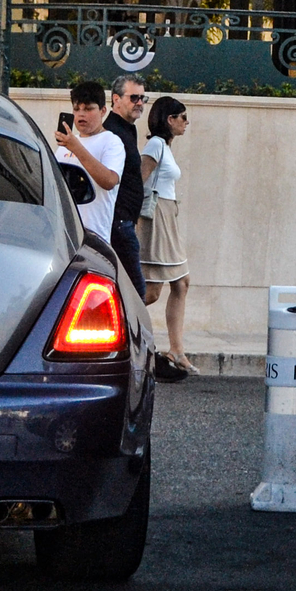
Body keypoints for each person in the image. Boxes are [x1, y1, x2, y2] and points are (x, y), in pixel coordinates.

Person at [139, 95, 192, 381]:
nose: (186, 123)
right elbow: (140, 179)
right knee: (152, 292)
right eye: (182, 117)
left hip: (168, 215)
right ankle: (113, 314)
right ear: (169, 119)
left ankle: (176, 350)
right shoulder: (156, 144)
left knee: (181, 283)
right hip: (156, 217)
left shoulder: (166, 147)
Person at [55, 79, 125, 243]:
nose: (81, 114)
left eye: (88, 109)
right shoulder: (65, 145)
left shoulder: (111, 142)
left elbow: (109, 181)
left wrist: (76, 148)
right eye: (76, 109)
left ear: (103, 111)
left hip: (94, 235)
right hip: (64, 233)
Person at [106, 75, 149, 295]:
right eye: (134, 98)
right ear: (116, 99)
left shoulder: (127, 129)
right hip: (118, 223)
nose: (139, 103)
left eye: (142, 98)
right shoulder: (112, 132)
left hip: (125, 222)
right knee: (135, 290)